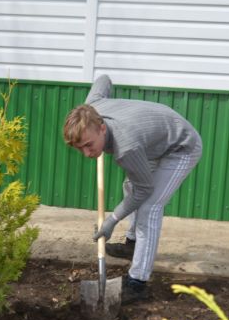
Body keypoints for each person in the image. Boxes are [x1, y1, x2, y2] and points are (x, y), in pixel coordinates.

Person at [63, 75, 202, 304]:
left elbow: (144, 190)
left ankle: (138, 283)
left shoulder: (126, 148)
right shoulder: (92, 108)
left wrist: (112, 220)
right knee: (130, 185)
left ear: (102, 128)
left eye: (89, 145)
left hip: (181, 146)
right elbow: (103, 80)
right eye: (81, 149)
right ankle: (133, 245)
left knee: (149, 207)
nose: (87, 154)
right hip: (155, 142)